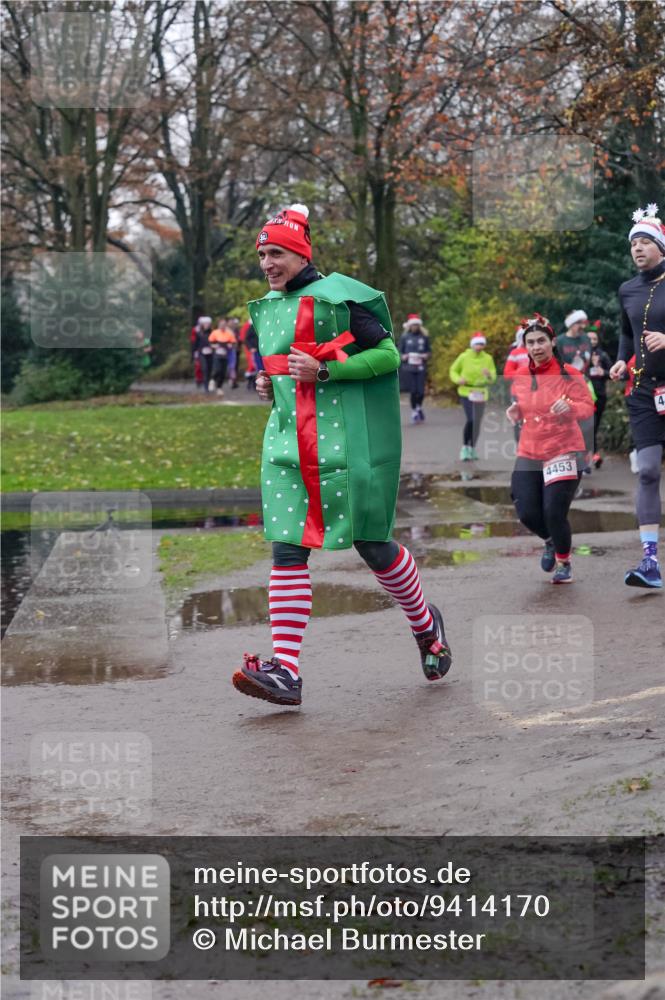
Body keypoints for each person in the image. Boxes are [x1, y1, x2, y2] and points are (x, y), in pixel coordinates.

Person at [231, 204, 452, 706]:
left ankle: (426, 628)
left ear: (300, 252)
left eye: (277, 253)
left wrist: (328, 372)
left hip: (344, 448)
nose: (267, 263)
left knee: (372, 546)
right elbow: (281, 365)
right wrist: (268, 381)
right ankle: (286, 670)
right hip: (287, 445)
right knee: (287, 548)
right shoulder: (267, 307)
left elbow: (387, 355)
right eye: (262, 254)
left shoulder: (340, 298)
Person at [506, 314, 595, 584]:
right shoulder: (521, 376)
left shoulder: (570, 373)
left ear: (552, 341)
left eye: (541, 341)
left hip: (564, 449)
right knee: (527, 511)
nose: (535, 347)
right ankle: (549, 540)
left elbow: (588, 407)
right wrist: (516, 411)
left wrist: (570, 408)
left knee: (554, 512)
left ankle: (564, 562)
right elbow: (525, 406)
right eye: (530, 342)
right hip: (530, 450)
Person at [609, 203, 665, 589]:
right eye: (634, 243)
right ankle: (650, 562)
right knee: (646, 471)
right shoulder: (627, 289)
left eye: (646, 242)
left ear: (661, 246)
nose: (638, 248)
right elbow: (626, 334)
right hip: (645, 391)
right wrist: (620, 361)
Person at [449, 333, 497, 460]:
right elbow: (453, 370)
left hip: (481, 393)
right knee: (471, 419)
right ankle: (465, 448)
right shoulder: (464, 357)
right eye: (477, 344)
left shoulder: (488, 358)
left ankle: (472, 448)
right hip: (466, 392)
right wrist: (458, 379)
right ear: (472, 344)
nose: (479, 346)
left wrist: (488, 375)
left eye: (481, 344)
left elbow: (493, 377)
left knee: (477, 422)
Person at [586, 323, 612, 468]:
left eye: (594, 339)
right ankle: (593, 456)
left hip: (599, 396)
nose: (591, 342)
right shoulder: (581, 356)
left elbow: (614, 373)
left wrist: (604, 372)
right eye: (589, 339)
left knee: (593, 427)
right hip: (584, 397)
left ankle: (590, 455)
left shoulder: (602, 355)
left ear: (598, 341)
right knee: (589, 426)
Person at [398, 314, 431, 422]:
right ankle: (414, 411)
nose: (415, 327)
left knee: (421, 392)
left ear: (419, 326)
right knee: (413, 391)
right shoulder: (405, 337)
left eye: (417, 325)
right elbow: (399, 352)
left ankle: (418, 407)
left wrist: (426, 355)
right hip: (408, 368)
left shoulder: (424, 337)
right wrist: (403, 356)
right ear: (409, 326)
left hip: (420, 367)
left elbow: (428, 351)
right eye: (413, 325)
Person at [503, 325, 528, 442]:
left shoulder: (540, 352)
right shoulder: (515, 352)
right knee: (519, 421)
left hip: (538, 392)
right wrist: (522, 373)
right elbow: (507, 374)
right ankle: (521, 449)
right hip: (518, 392)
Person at [209, 318, 237, 396]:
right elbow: (210, 343)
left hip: (225, 355)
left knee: (223, 372)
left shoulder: (229, 333)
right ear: (218, 325)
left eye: (224, 325)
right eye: (221, 325)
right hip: (217, 354)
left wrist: (230, 345)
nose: (223, 326)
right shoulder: (215, 333)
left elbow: (234, 344)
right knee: (217, 369)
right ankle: (212, 380)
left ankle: (219, 388)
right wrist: (214, 346)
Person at [192, 316, 214, 391]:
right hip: (202, 353)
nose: (207, 325)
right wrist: (195, 353)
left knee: (210, 369)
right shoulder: (198, 333)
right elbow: (195, 344)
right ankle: (205, 386)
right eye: (205, 324)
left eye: (208, 323)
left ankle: (208, 383)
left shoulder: (212, 332)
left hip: (210, 353)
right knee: (205, 368)